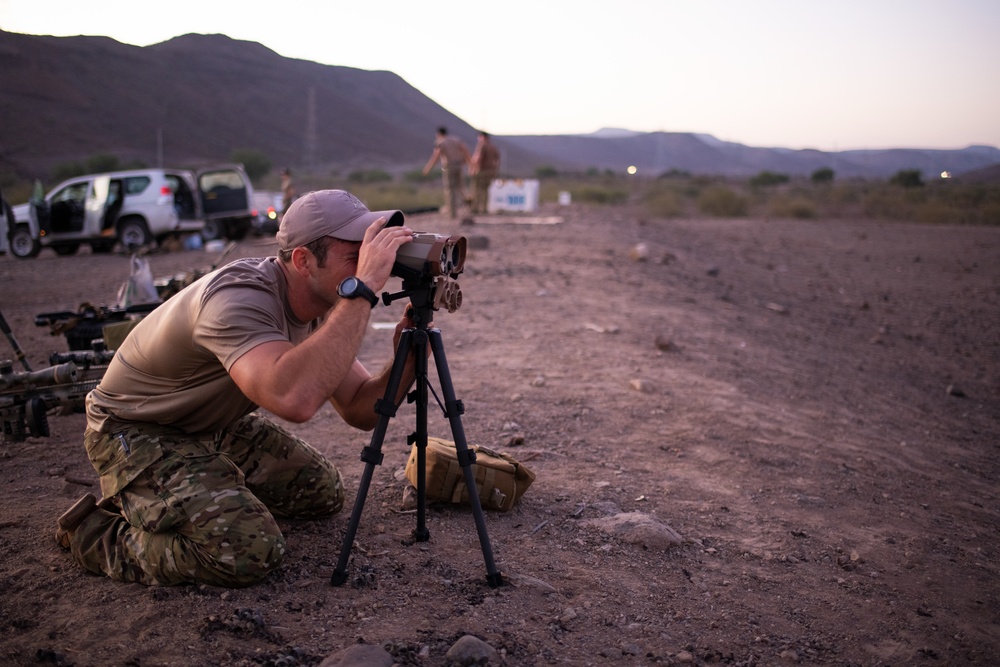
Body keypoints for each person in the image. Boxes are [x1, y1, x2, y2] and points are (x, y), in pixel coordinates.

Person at [56, 189, 419, 587]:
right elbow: (294, 400)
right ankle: (95, 533)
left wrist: (409, 356)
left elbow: (357, 407)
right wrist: (362, 288)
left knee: (320, 492)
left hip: (205, 425)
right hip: (133, 430)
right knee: (247, 550)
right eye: (356, 256)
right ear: (303, 260)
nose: (370, 265)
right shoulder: (240, 299)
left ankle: (197, 487)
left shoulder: (321, 303)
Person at [422, 126, 471, 219]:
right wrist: (470, 163)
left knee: (450, 189)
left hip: (450, 167)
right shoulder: (456, 140)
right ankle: (468, 203)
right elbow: (465, 150)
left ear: (438, 134)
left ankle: (452, 213)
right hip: (459, 166)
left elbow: (436, 156)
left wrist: (428, 168)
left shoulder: (441, 142)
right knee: (461, 187)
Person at [469, 131, 501, 215]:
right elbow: (497, 160)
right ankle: (483, 208)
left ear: (483, 137)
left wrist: (474, 169)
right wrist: (494, 170)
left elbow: (479, 158)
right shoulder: (493, 147)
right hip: (490, 171)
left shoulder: (482, 146)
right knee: (485, 190)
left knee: (476, 189)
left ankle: (475, 208)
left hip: (482, 171)